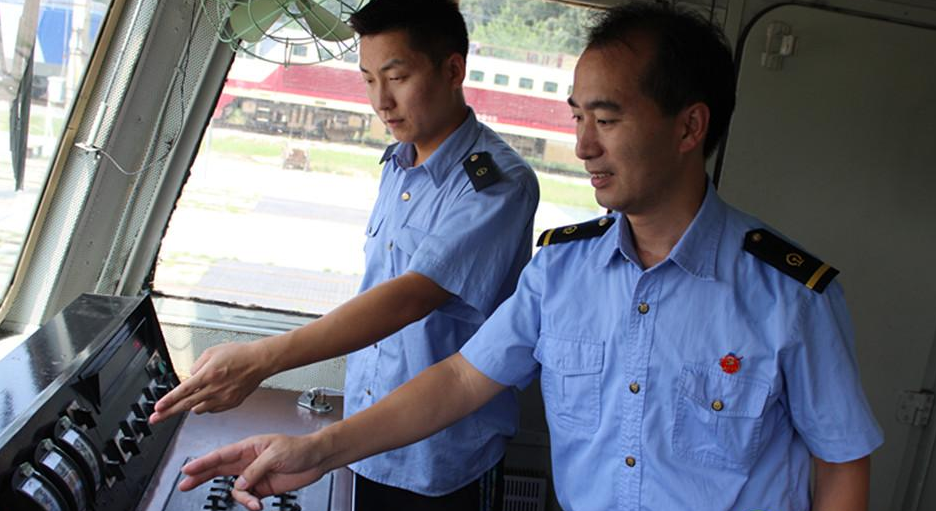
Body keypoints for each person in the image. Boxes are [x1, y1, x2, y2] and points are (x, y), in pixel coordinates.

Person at [175, 3, 884, 511]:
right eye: (577, 116)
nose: (581, 146)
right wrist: (317, 448)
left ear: (689, 126)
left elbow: (842, 464)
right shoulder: (561, 273)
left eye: (605, 119)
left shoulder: (791, 296)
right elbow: (458, 380)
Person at [149, 0, 539, 509]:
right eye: (367, 79)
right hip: (363, 441)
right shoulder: (398, 165)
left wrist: (262, 359)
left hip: (441, 460)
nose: (381, 100)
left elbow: (407, 299)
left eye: (396, 77)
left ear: (453, 70)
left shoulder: (495, 185)